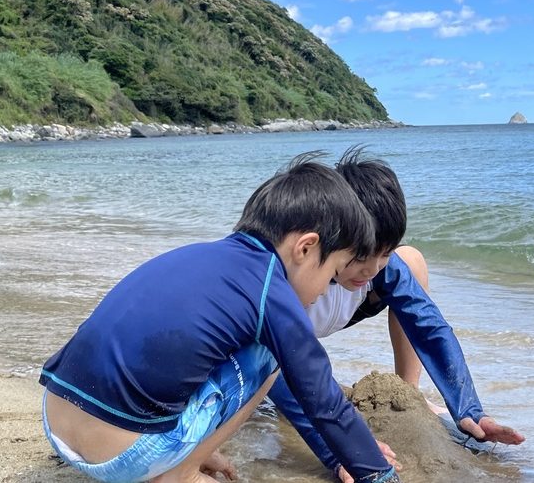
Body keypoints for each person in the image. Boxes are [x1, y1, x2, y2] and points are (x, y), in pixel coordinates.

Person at [39, 152, 401, 483]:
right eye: (333, 271)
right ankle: (180, 474)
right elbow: (323, 400)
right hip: (122, 456)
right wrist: (380, 475)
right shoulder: (269, 290)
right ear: (305, 248)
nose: (328, 288)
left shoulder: (205, 255)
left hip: (57, 422)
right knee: (271, 355)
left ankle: (191, 452)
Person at [267, 147, 524, 479]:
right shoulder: (292, 273)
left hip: (337, 307)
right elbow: (271, 364)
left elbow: (430, 327)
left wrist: (469, 409)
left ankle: (408, 390)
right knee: (280, 380)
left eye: (383, 253)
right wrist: (338, 450)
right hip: (284, 330)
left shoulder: (376, 269)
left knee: (410, 262)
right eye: (362, 255)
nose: (373, 269)